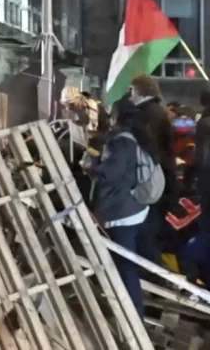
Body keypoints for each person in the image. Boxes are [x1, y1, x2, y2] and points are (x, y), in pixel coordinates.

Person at [81, 97, 158, 316]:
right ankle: (133, 312)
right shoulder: (137, 138)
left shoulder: (122, 142)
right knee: (127, 265)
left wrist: (91, 164)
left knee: (125, 268)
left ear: (116, 117)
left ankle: (135, 318)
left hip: (122, 212)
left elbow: (108, 175)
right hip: (133, 210)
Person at [129, 75, 178, 269]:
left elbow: (148, 148)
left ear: (139, 90)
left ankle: (152, 274)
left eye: (131, 91)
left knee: (148, 231)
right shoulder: (157, 111)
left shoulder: (146, 114)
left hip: (153, 179)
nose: (130, 95)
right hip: (162, 178)